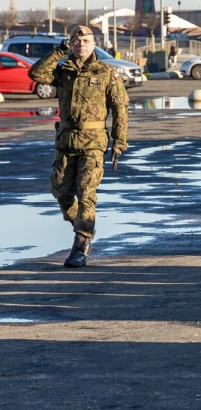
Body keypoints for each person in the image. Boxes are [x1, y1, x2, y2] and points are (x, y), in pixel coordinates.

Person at [28, 24, 128, 268]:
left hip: (93, 143)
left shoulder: (106, 73)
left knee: (86, 193)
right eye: (76, 41)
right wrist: (57, 52)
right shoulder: (63, 71)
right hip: (66, 141)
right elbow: (36, 74)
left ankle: (81, 242)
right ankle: (82, 225)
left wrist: (119, 141)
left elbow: (120, 108)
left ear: (94, 44)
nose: (81, 45)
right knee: (61, 192)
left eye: (86, 41)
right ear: (71, 44)